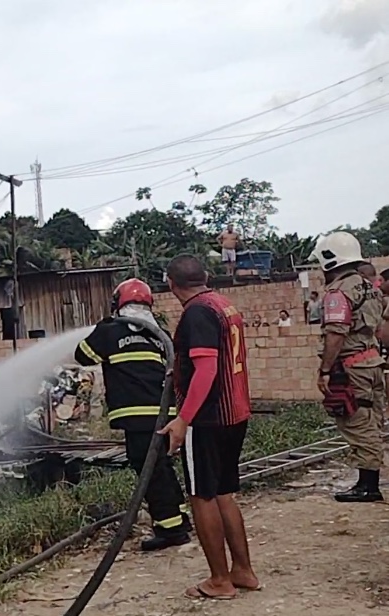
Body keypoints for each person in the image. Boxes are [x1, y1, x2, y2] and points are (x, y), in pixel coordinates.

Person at [158, 254, 258, 601]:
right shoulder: (223, 304)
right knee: (223, 492)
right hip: (235, 414)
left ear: (171, 283)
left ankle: (219, 579)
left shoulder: (197, 312)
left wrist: (183, 418)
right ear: (206, 277)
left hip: (208, 418)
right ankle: (242, 571)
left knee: (201, 495)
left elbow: (207, 370)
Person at [74, 278, 192, 552]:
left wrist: (102, 327)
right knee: (161, 466)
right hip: (165, 413)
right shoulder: (157, 335)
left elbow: (83, 356)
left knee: (150, 471)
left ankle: (170, 529)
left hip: (136, 415)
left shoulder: (109, 330)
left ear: (118, 303)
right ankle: (180, 519)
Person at [310, 231, 385, 502]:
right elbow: (377, 327)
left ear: (330, 260)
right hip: (372, 361)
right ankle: (368, 480)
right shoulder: (369, 288)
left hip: (351, 366)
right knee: (372, 420)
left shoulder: (338, 293)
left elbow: (336, 333)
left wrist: (326, 370)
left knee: (355, 420)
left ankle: (368, 486)